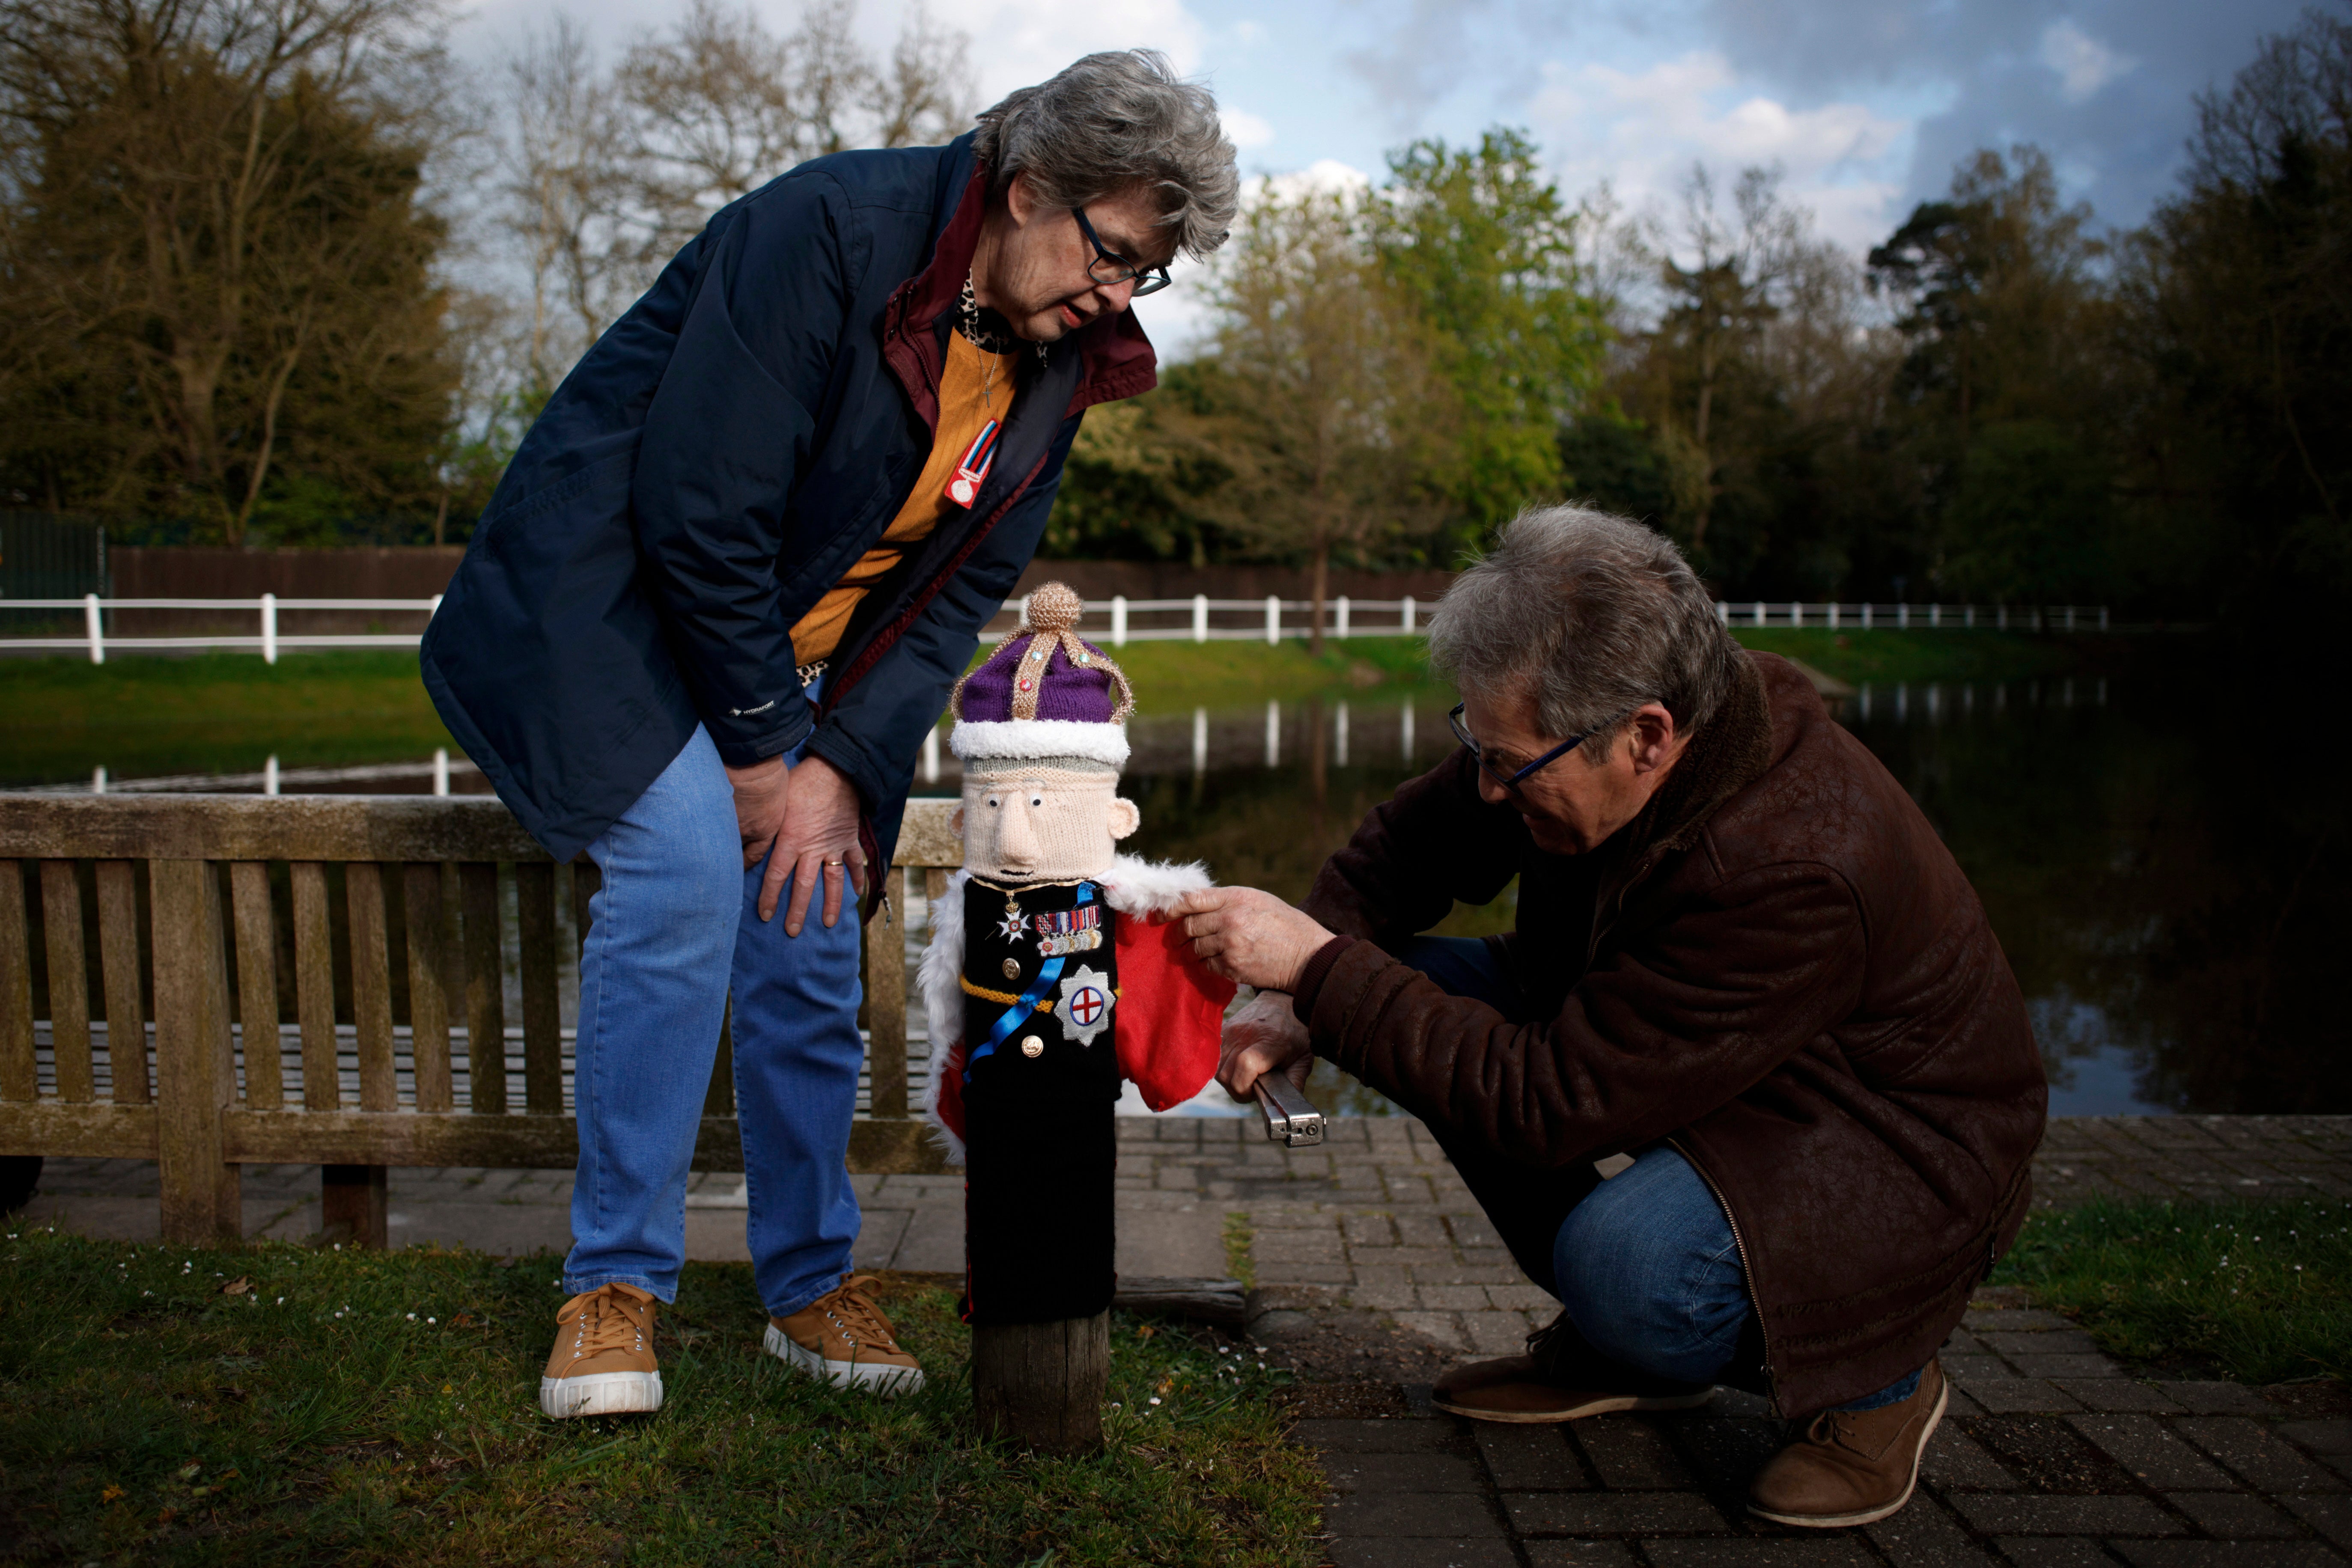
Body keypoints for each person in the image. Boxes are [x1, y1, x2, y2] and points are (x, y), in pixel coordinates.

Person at [421, 51, 1237, 1420]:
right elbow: (700, 508)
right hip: (610, 611)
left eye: (1143, 277)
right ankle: (613, 1282)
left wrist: (835, 770)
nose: (1115, 297)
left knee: (810, 905)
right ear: (1028, 187)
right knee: (686, 871)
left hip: (776, 655)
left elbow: (954, 601)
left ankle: (807, 1282)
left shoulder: (1058, 364)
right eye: (1110, 254)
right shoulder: (825, 231)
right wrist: (758, 756)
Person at [1177, 506, 2045, 1529]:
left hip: (1883, 1146)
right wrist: (1293, 995)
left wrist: (1319, 968)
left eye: (1512, 763)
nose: (1489, 786)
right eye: (1478, 747)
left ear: (1644, 736)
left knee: (1624, 1264)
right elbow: (1406, 850)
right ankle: (1623, 1348)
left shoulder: (1793, 863)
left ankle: (1874, 1379)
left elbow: (1553, 1104)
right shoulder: (1582, 729)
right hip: (1711, 1056)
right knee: (1394, 981)